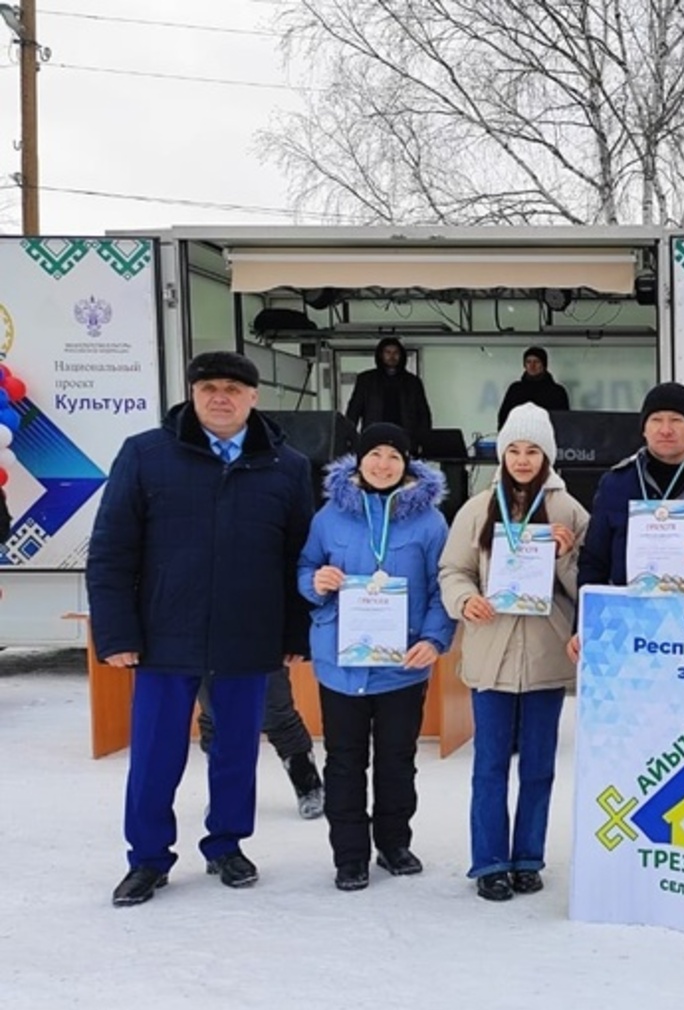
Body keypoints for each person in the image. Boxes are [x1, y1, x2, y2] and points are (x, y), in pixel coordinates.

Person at [88, 351, 314, 907]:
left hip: (247, 635)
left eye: (233, 388)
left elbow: (297, 558)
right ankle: (147, 859)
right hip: (166, 635)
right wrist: (116, 635)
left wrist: (293, 634)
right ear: (191, 393)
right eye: (208, 386)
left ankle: (227, 845)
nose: (221, 397)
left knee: (235, 749)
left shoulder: (287, 466)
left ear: (254, 397)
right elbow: (112, 551)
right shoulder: (146, 455)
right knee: (155, 756)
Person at [439, 403, 588, 902]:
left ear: (547, 456)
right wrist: (465, 600)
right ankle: (489, 862)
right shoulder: (477, 509)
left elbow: (588, 581)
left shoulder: (569, 510)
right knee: (490, 765)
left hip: (546, 655)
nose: (523, 460)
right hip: (491, 656)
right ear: (502, 455)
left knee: (540, 766)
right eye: (514, 450)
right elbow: (452, 570)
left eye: (533, 451)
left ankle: (528, 857)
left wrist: (568, 557)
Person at [298, 423, 454, 891]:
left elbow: (441, 586)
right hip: (341, 664)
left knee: (397, 759)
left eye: (393, 455)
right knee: (344, 762)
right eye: (375, 454)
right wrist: (315, 583)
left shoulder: (429, 522)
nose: (383, 464)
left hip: (401, 666)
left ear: (407, 463)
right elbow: (305, 567)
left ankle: (393, 843)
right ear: (359, 459)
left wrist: (435, 639)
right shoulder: (329, 517)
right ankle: (349, 856)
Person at [574, 382, 684, 599]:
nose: (666, 430)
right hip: (625, 624)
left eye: (676, 420)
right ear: (644, 429)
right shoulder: (615, 485)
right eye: (656, 420)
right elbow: (594, 563)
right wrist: (583, 626)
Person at [196, 668, 324, 819]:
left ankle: (309, 786)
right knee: (214, 716)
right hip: (204, 649)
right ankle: (225, 794)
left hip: (261, 648)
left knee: (276, 712)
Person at [345, 337, 432, 446]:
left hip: (406, 438)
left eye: (396, 353)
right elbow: (354, 411)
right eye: (388, 352)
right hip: (374, 438)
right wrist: (349, 439)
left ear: (401, 355)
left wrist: (422, 441)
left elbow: (423, 414)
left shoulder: (413, 382)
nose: (392, 356)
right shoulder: (366, 380)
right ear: (381, 355)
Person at [497, 346, 571, 428]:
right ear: (524, 365)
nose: (532, 366)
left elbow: (564, 421)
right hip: (519, 437)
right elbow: (504, 418)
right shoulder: (515, 390)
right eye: (528, 362)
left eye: (537, 362)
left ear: (544, 364)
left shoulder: (557, 392)